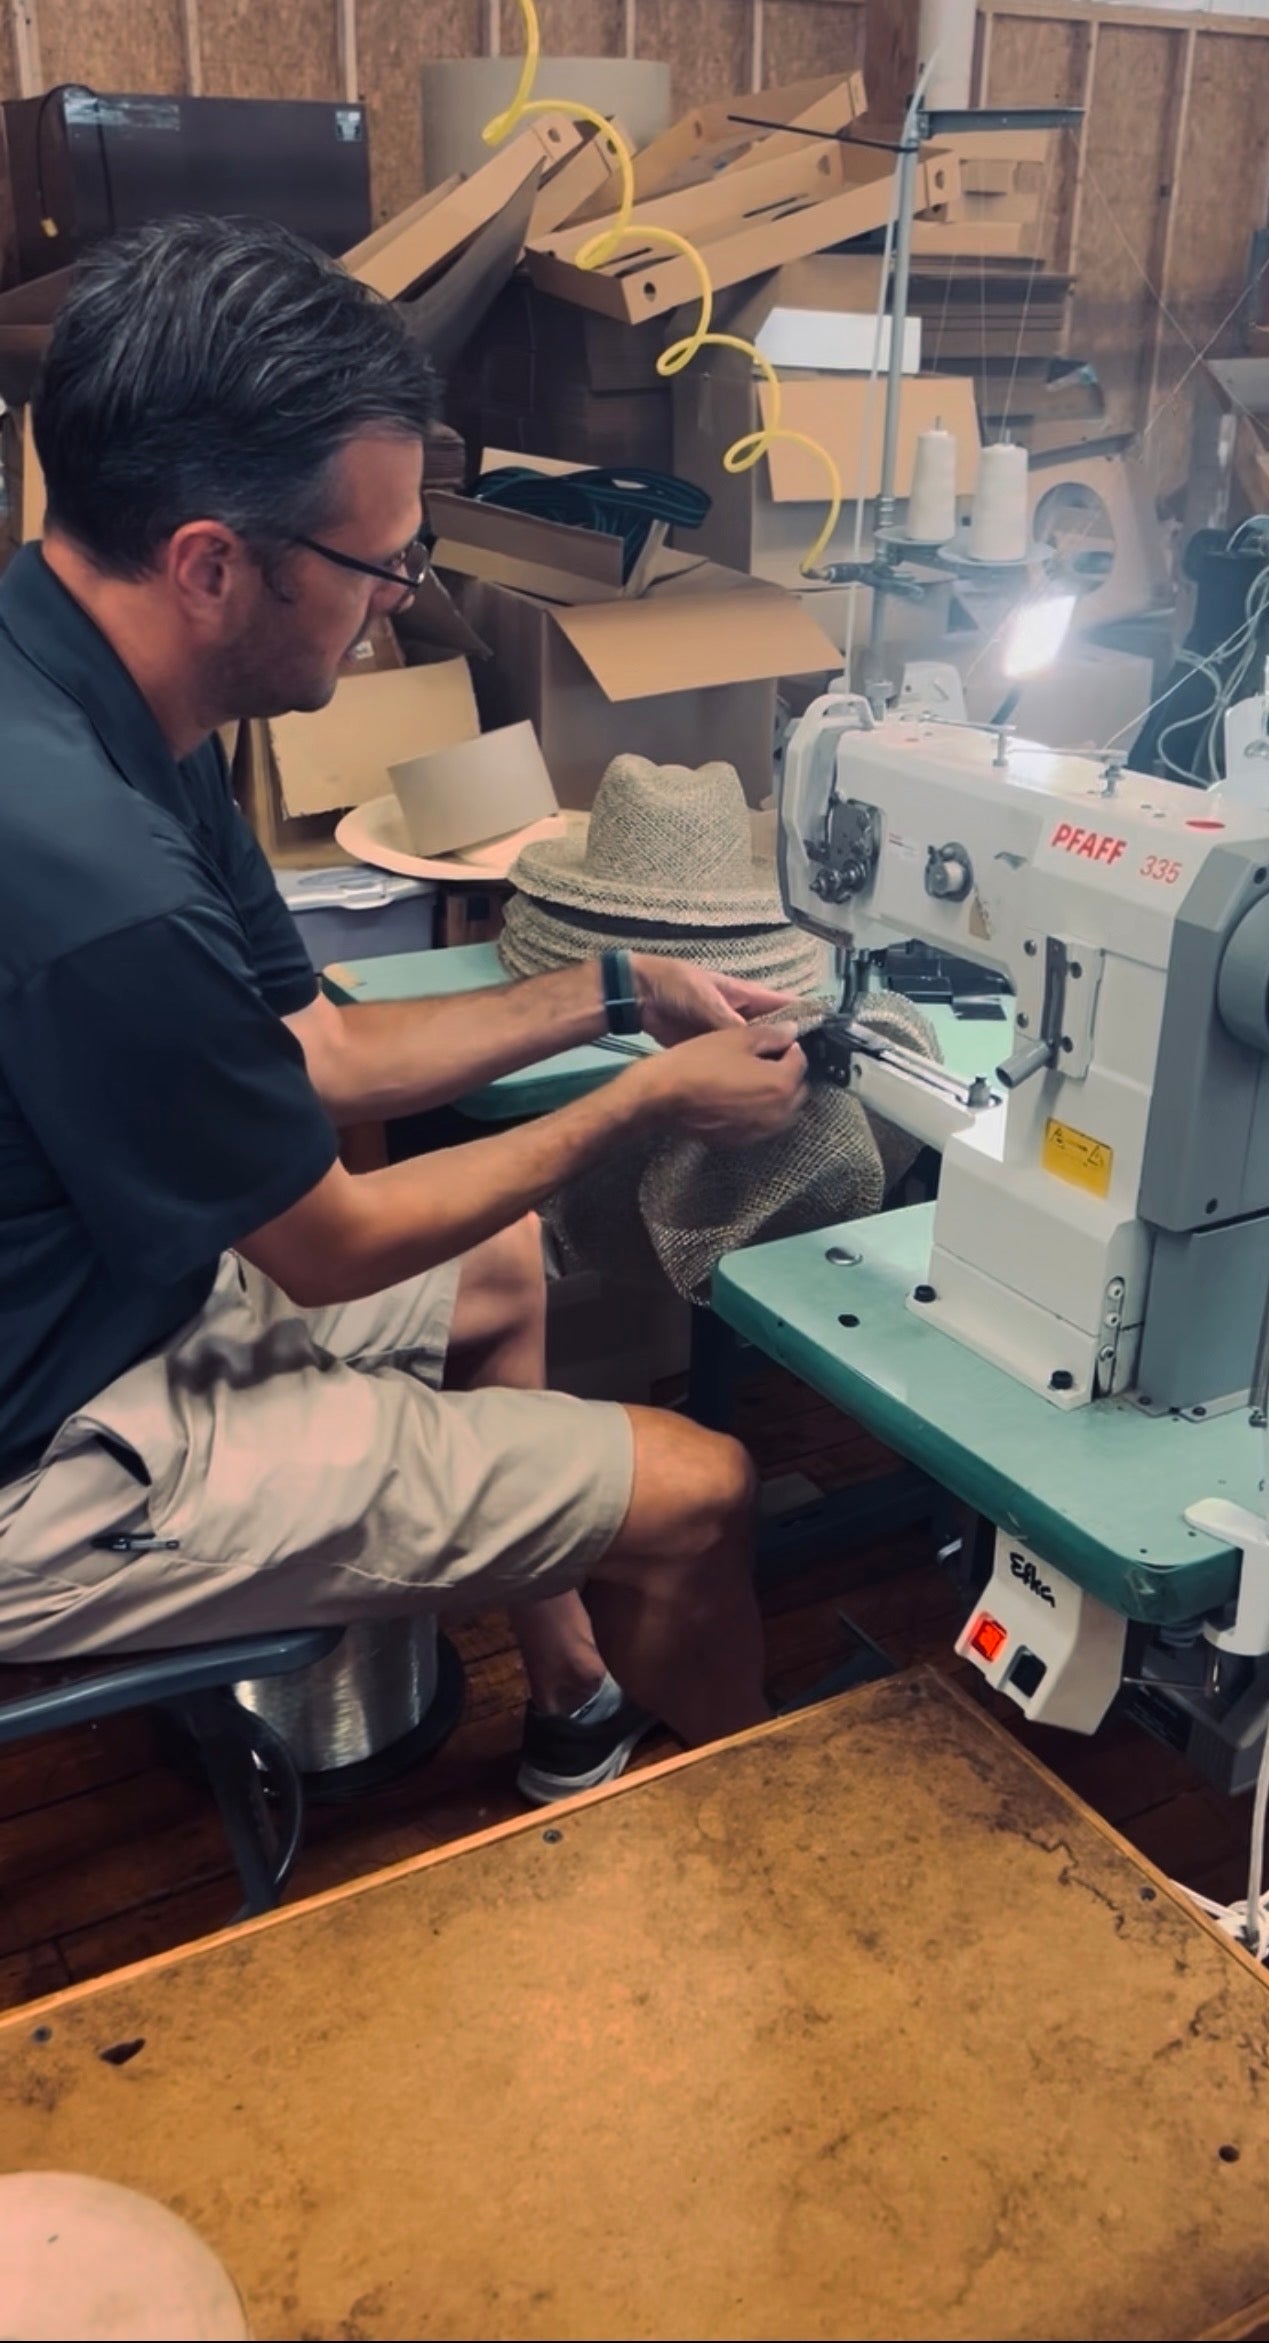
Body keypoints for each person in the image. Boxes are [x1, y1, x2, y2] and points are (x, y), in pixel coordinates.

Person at [0, 215, 808, 1803]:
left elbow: (326, 1049)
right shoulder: (97, 877)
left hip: (87, 1302)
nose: (396, 603)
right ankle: (763, 1863)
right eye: (380, 564)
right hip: (48, 1462)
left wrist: (616, 995)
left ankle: (574, 1701)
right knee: (703, 1486)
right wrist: (650, 1101)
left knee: (505, 1269)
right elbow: (333, 1243)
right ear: (212, 563)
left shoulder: (108, 695)